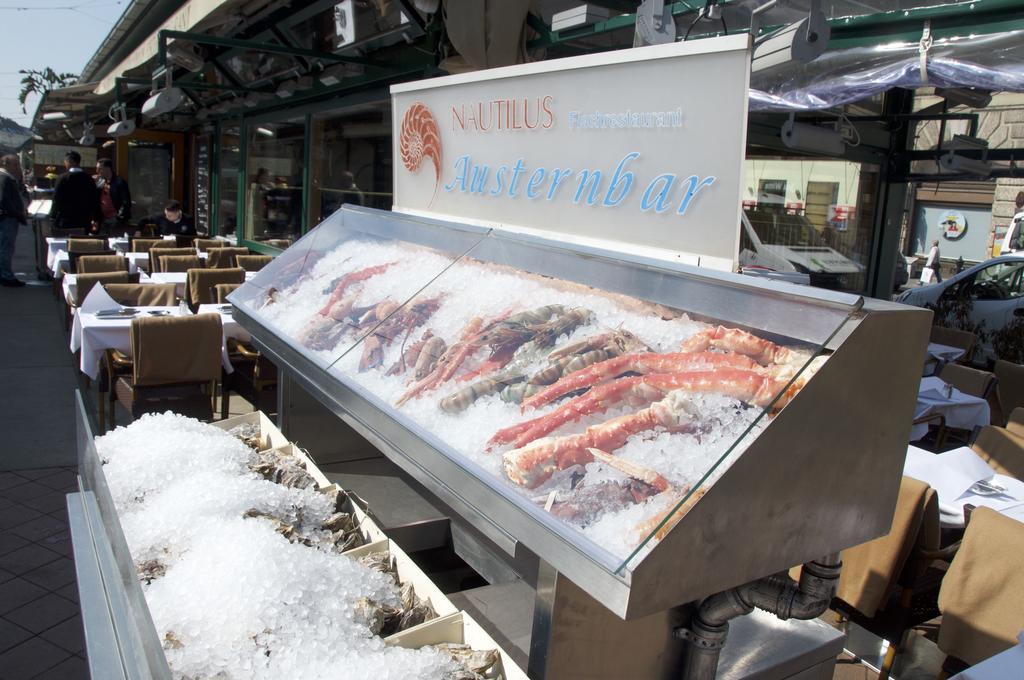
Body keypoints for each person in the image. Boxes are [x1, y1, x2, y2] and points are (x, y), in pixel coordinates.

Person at [50, 150, 100, 233]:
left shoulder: (62, 178)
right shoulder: (89, 179)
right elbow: (94, 199)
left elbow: (56, 199)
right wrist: (96, 218)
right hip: (84, 219)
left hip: (66, 219)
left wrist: (53, 216)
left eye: (65, 161)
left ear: (70, 161)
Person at [0, 154, 28, 287]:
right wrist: (19, 213)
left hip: (6, 217)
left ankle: (4, 274)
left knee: (4, 247)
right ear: (6, 164)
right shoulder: (4, 178)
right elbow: (5, 201)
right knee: (6, 247)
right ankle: (6, 276)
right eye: (15, 164)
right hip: (7, 218)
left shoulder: (8, 178)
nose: (18, 167)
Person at [94, 158, 131, 236]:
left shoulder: (119, 182)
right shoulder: (100, 182)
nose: (97, 171)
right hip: (103, 220)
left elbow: (126, 203)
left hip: (116, 221)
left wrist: (118, 218)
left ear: (108, 169)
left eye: (100, 169)